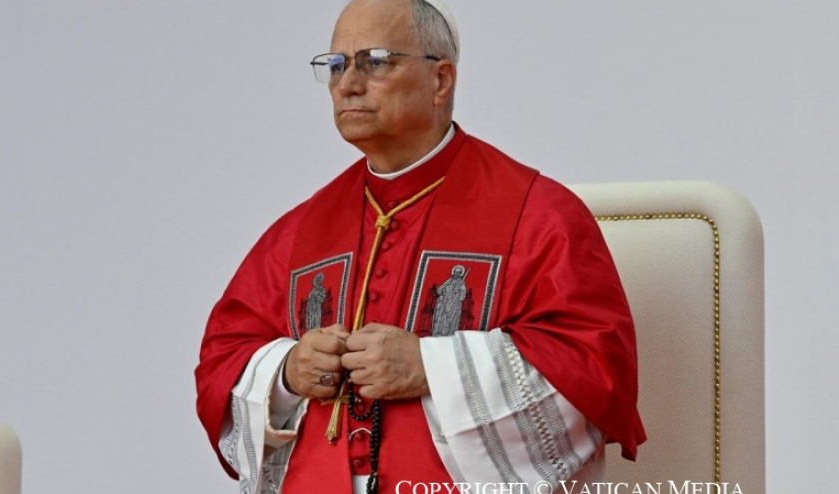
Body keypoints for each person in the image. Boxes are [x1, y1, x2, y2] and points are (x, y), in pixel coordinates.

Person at [195, 0, 646, 493]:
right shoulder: (298, 232)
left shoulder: (540, 217)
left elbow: (592, 370)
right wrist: (286, 373)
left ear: (441, 80)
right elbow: (224, 357)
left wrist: (430, 367)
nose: (347, 84)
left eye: (375, 61)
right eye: (337, 65)